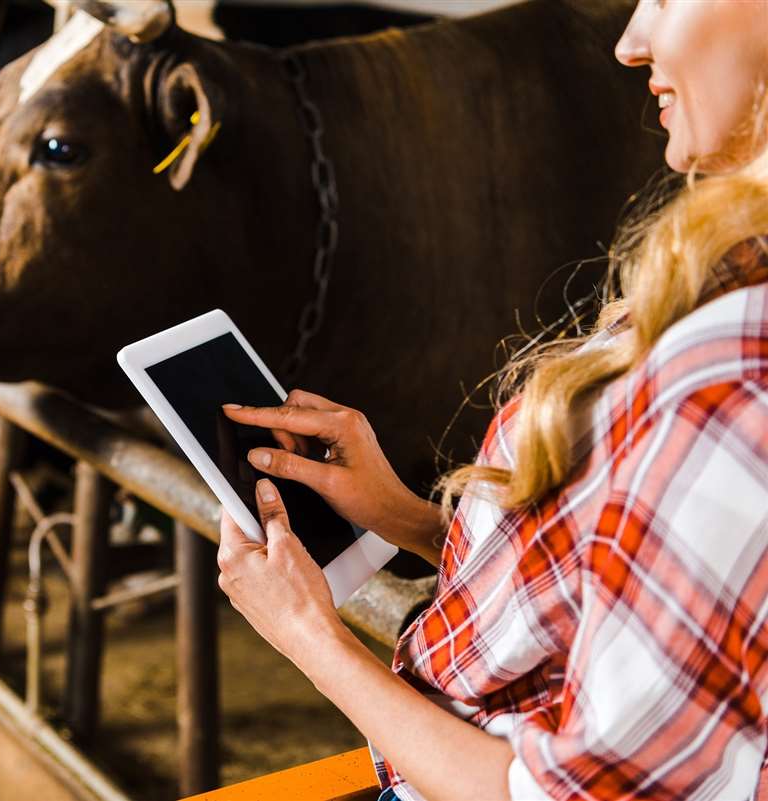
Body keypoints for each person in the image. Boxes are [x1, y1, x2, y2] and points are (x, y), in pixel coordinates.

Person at [215, 1, 768, 799]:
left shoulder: (728, 381)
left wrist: (310, 636)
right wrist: (405, 514)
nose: (627, 43)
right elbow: (639, 580)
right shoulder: (728, 275)